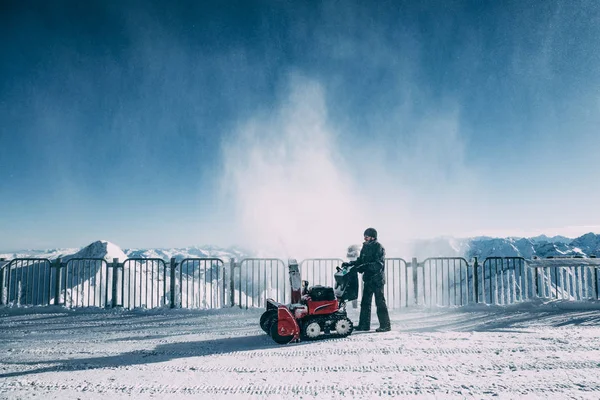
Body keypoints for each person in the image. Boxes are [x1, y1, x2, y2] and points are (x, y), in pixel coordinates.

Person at [342, 228, 391, 332]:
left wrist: (364, 267)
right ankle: (364, 325)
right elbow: (361, 261)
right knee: (365, 303)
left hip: (377, 279)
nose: (365, 238)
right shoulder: (365, 247)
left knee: (380, 302)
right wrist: (351, 264)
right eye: (364, 236)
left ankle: (385, 325)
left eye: (367, 236)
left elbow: (378, 264)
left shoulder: (378, 247)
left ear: (373, 237)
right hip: (368, 279)